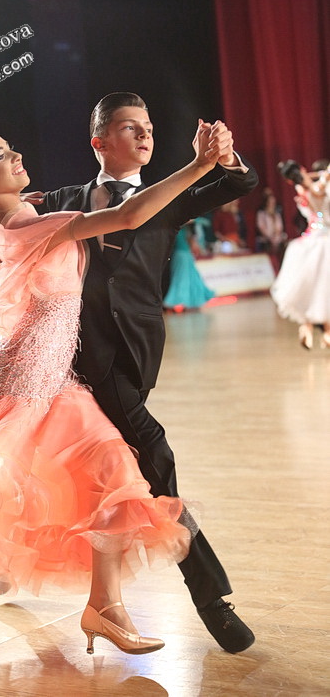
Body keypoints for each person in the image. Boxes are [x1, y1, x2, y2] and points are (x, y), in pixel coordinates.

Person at [0, 125, 223, 656]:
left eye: (10, 148)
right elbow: (129, 216)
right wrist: (198, 167)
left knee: (114, 472)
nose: (15, 155)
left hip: (59, 383)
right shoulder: (33, 228)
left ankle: (105, 607)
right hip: (15, 386)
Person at [26, 92, 258, 653]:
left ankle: (10, 566)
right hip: (75, 361)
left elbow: (241, 183)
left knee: (80, 475)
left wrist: (226, 156)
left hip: (135, 357)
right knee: (156, 463)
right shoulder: (63, 200)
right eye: (130, 127)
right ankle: (212, 603)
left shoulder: (166, 199)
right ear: (99, 141)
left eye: (148, 126)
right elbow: (8, 222)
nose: (145, 135)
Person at [272, 160, 330, 350]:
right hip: (323, 239)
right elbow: (318, 193)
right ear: (303, 170)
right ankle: (324, 332)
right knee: (323, 288)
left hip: (312, 239)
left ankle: (309, 327)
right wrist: (325, 177)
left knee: (316, 288)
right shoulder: (316, 187)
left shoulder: (300, 188)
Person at [163, 222, 215, 311]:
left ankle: (187, 302)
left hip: (183, 254)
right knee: (184, 278)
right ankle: (183, 302)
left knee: (189, 278)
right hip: (182, 255)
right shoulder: (181, 229)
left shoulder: (183, 229)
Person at [255, 188, 287, 272]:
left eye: (273, 202)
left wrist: (276, 236)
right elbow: (261, 227)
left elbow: (279, 227)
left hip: (277, 238)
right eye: (270, 202)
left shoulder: (277, 214)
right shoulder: (262, 214)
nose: (272, 204)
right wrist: (270, 237)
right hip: (266, 239)